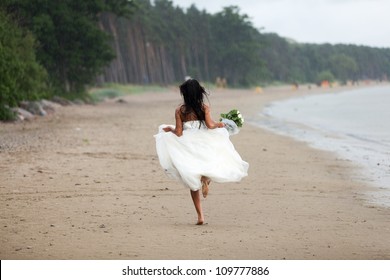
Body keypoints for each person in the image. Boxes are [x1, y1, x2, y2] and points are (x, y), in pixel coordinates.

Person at [154, 79, 249, 225]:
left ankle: (200, 216)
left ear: (185, 94)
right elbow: (210, 126)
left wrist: (171, 129)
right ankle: (206, 180)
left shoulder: (180, 110)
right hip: (204, 140)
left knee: (192, 177)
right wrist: (221, 124)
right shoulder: (204, 107)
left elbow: (179, 133)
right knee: (210, 161)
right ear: (199, 93)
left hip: (188, 143)